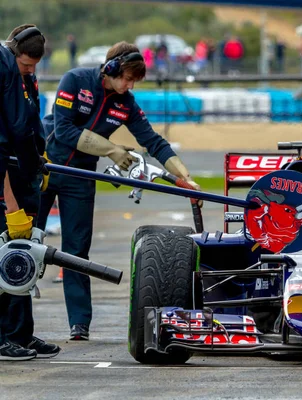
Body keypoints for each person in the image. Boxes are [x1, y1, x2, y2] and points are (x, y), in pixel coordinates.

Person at [36, 41, 202, 341]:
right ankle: (13, 329)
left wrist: (185, 176)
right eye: (125, 77)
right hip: (46, 166)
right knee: (25, 245)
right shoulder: (75, 80)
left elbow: (154, 142)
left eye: (133, 81)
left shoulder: (126, 103)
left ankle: (79, 324)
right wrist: (112, 150)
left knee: (76, 251)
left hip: (81, 177)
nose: (127, 86)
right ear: (109, 68)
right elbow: (64, 130)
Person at [0, 24, 60, 360]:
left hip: (27, 174)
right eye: (26, 64)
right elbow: (13, 134)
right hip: (10, 176)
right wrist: (10, 205)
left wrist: (39, 162)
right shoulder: (6, 69)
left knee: (23, 257)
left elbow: (30, 126)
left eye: (34, 66)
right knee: (5, 257)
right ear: (14, 53)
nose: (29, 71)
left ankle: (21, 333)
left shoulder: (25, 77)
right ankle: (2, 337)